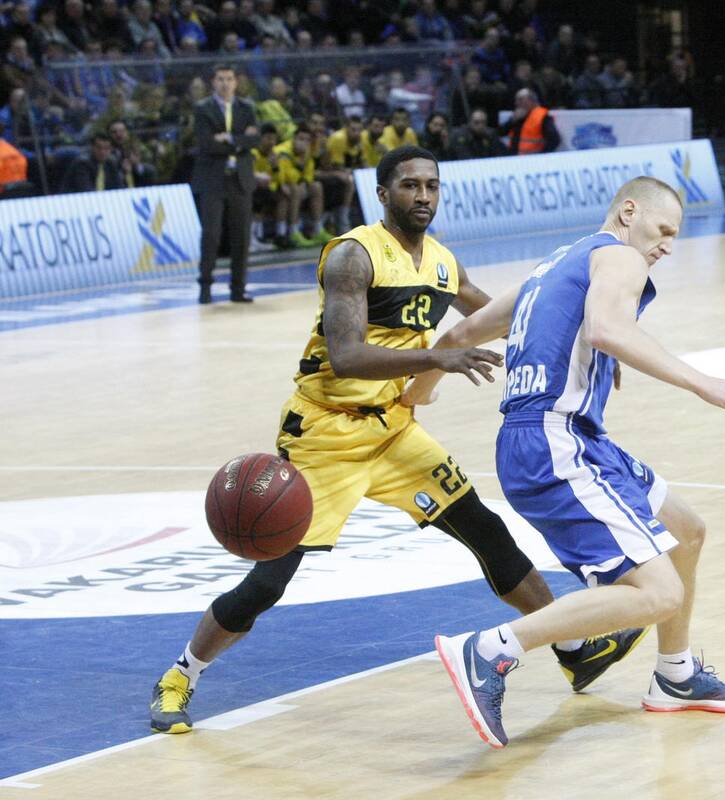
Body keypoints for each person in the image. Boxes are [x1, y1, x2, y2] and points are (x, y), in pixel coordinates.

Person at [148, 146, 646, 735]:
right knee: (269, 580)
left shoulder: (442, 263)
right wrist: (438, 357)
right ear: (383, 194)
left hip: (393, 429)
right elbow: (346, 355)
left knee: (485, 528)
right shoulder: (354, 256)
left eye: (432, 185)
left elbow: (511, 316)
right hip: (325, 434)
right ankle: (180, 674)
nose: (423, 196)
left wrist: (591, 344)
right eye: (410, 185)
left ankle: (574, 652)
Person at [402, 176, 725, 749]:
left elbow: (463, 334)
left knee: (687, 531)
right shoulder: (620, 257)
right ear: (629, 211)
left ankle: (674, 676)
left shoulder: (553, 267)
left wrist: (414, 397)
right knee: (660, 593)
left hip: (560, 440)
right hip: (556, 444)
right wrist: (704, 384)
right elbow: (606, 329)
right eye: (664, 230)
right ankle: (490, 650)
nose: (668, 245)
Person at [192, 63, 260, 305]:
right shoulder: (203, 109)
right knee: (211, 234)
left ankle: (238, 289)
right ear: (213, 82)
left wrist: (228, 139)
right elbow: (207, 144)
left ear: (235, 82)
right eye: (220, 79)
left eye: (229, 79)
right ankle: (205, 287)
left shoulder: (247, 107)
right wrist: (240, 141)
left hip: (240, 179)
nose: (225, 83)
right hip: (213, 179)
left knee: (241, 236)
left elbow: (255, 140)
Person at [502, 88, 559, 155]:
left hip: (531, 158)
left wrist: (541, 156)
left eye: (520, 99)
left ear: (531, 100)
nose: (516, 103)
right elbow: (501, 133)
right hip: (513, 157)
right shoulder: (517, 116)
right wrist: (512, 120)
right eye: (516, 100)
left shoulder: (542, 116)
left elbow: (554, 140)